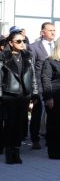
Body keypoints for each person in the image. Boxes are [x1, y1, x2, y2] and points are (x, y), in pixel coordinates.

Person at [1, 28, 34, 164]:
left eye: (23, 41)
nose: (22, 43)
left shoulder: (27, 56)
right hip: (9, 95)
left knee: (21, 124)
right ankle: (10, 152)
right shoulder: (3, 57)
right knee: (10, 124)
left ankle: (17, 150)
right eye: (18, 41)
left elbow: (33, 78)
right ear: (11, 43)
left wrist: (34, 94)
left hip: (24, 95)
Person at [29, 21, 56, 150]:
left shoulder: (57, 46)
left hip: (54, 86)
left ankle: (50, 138)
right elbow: (31, 68)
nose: (53, 32)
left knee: (52, 113)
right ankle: (35, 139)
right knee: (37, 113)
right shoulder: (34, 47)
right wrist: (33, 88)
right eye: (50, 30)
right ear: (42, 32)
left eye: (54, 30)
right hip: (39, 86)